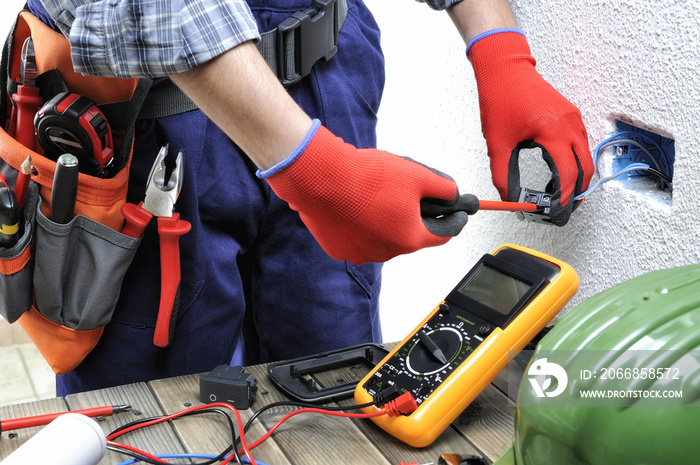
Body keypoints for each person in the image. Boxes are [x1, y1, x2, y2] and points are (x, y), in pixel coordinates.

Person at [25, 0, 593, 395]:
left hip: (327, 74)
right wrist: (319, 174)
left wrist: (500, 50)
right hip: (147, 110)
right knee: (147, 414)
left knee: (333, 391)